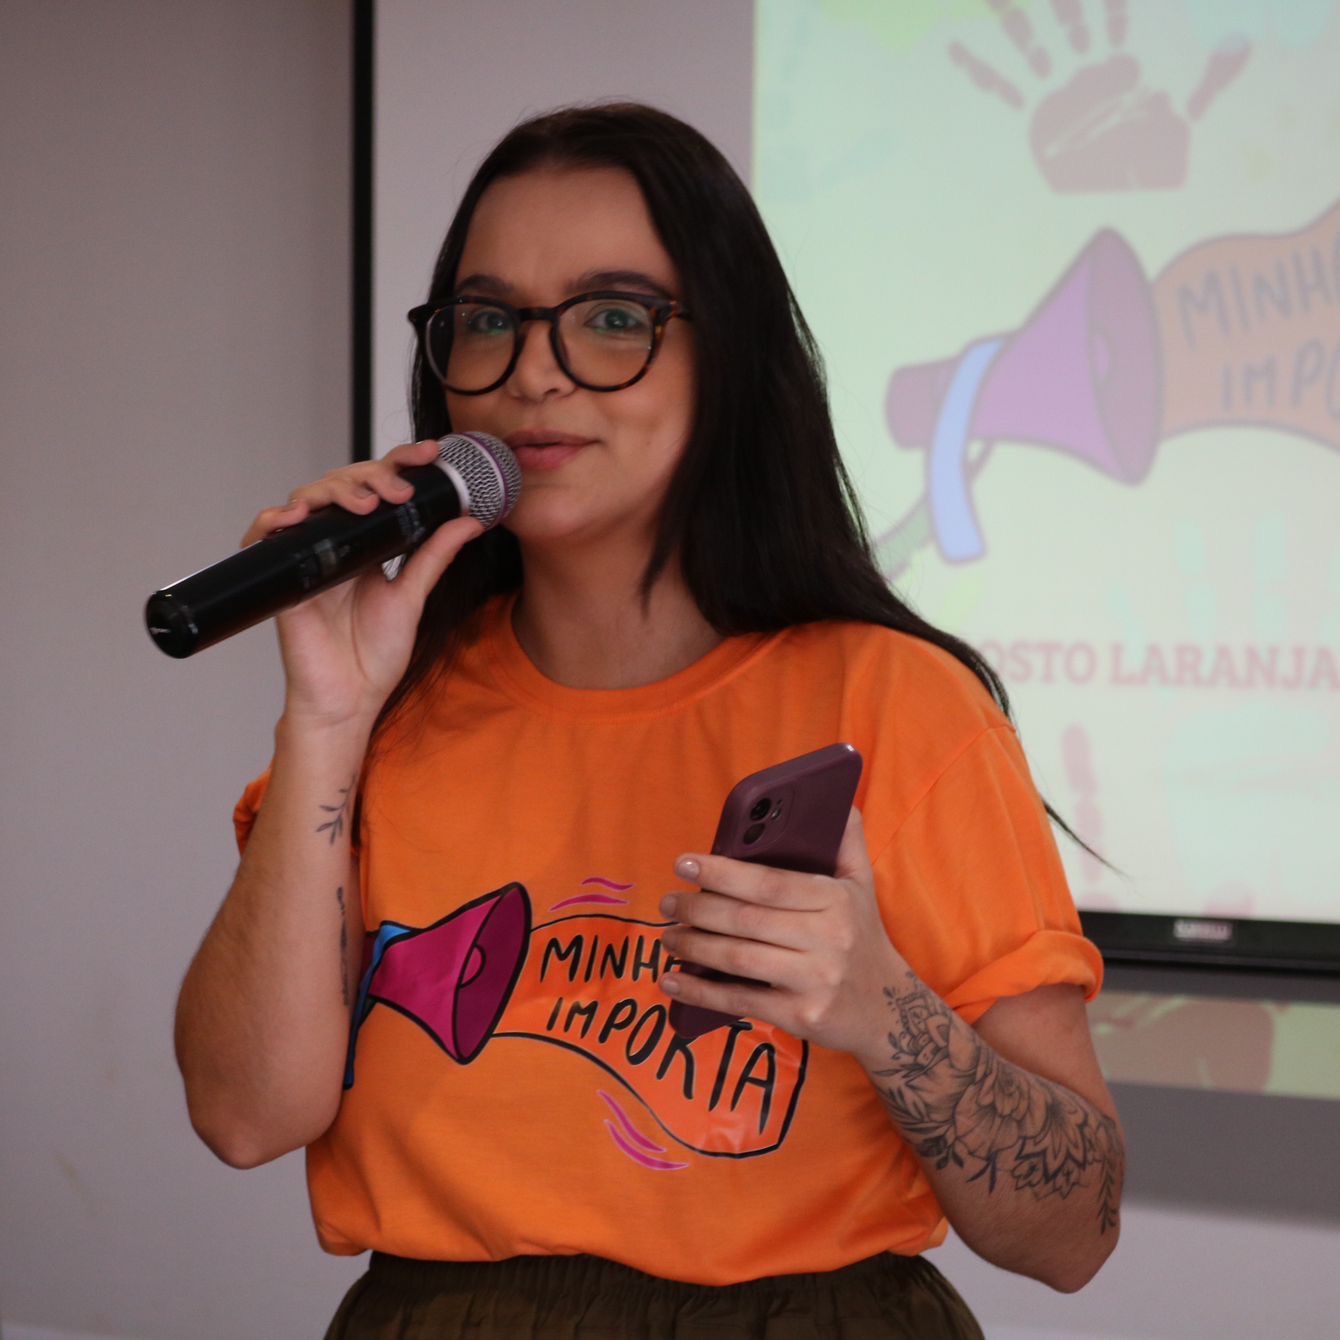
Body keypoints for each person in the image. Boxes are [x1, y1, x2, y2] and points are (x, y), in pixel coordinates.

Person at [174, 101, 1124, 1338]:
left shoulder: (893, 701)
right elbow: (245, 1114)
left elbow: (1074, 1231)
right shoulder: (388, 717)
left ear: (727, 360)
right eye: (488, 319)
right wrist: (325, 713)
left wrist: (882, 1007)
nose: (534, 371)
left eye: (614, 317)